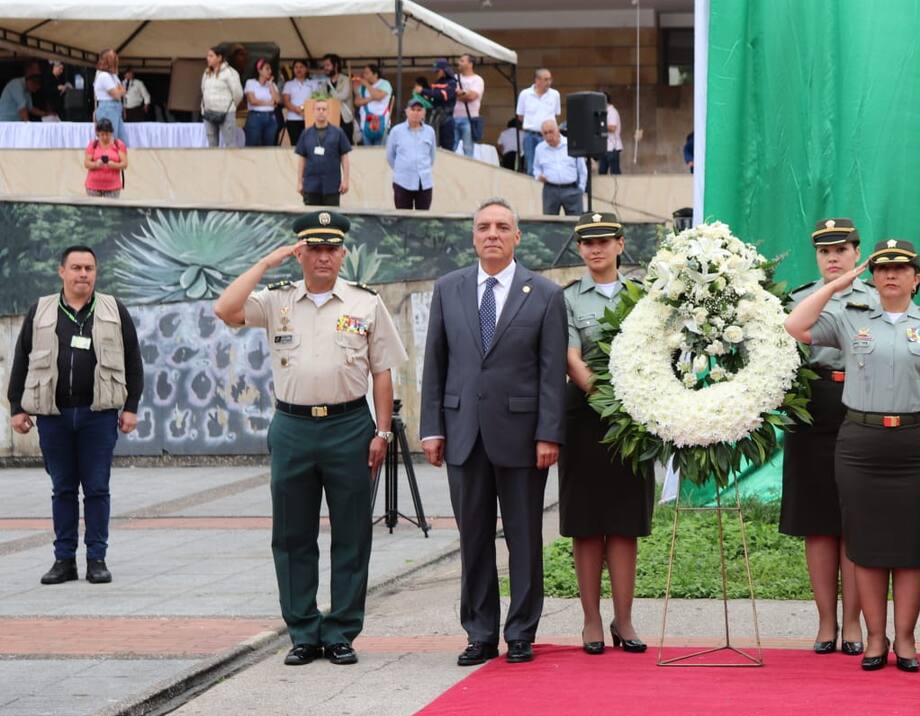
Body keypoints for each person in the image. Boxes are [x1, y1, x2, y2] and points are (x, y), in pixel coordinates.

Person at [213, 212, 406, 666]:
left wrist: (382, 431)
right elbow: (225, 309)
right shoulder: (277, 300)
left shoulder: (364, 302)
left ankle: (340, 631)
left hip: (349, 426)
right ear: (300, 254)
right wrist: (265, 263)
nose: (323, 257)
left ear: (342, 254)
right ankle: (302, 630)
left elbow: (382, 372)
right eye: (314, 249)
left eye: (331, 249)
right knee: (293, 533)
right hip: (293, 427)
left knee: (352, 532)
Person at [786, 239, 920, 673]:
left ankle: (904, 639)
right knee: (864, 544)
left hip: (915, 441)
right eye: (882, 268)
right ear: (872, 275)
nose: (890, 275)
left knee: (911, 545)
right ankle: (873, 638)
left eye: (901, 269)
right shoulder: (851, 320)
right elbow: (795, 325)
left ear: (916, 278)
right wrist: (839, 283)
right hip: (861, 443)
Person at [419, 198, 567, 666]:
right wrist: (431, 429)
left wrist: (549, 433)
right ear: (473, 235)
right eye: (483, 226)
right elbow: (435, 364)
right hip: (463, 433)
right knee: (473, 538)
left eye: (503, 227)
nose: (492, 234)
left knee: (524, 538)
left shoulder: (544, 294)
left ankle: (520, 631)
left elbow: (550, 373)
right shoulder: (449, 289)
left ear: (517, 236)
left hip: (523, 437)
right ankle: (480, 633)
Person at [6, 246, 143, 586]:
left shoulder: (113, 309)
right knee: (63, 489)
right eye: (77, 268)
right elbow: (21, 358)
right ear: (61, 272)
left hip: (98, 415)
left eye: (90, 268)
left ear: (96, 272)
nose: (84, 274)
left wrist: (131, 407)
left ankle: (97, 558)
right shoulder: (41, 310)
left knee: (97, 489)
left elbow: (133, 360)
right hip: (54, 415)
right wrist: (17, 406)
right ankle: (63, 561)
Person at [560, 213, 654, 655]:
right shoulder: (567, 299)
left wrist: (633, 403)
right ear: (579, 249)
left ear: (620, 244)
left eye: (603, 241)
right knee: (586, 522)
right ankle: (591, 621)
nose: (595, 249)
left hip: (635, 419)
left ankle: (625, 619)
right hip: (586, 417)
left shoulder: (646, 296)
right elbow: (572, 358)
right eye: (587, 242)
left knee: (624, 523)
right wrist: (607, 397)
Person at [780, 219, 870, 656]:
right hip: (810, 405)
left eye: (841, 250)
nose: (833, 258)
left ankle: (853, 622)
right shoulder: (799, 298)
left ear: (857, 252)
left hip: (858, 405)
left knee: (853, 519)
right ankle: (825, 623)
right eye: (824, 252)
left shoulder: (876, 298)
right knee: (817, 522)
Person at [293, 98, 352, 207]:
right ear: (313, 112)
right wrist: (299, 182)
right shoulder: (306, 134)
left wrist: (346, 180)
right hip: (311, 186)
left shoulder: (338, 132)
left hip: (332, 186)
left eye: (324, 109)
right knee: (312, 221)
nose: (321, 111)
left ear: (328, 112)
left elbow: (344, 157)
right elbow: (302, 159)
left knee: (331, 220)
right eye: (318, 109)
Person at [386, 98, 437, 211]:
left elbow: (432, 156)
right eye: (412, 109)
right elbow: (390, 156)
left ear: (424, 113)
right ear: (406, 112)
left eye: (419, 110)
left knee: (423, 219)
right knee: (403, 218)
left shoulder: (430, 131)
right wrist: (402, 169)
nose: (415, 113)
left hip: (424, 182)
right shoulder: (396, 131)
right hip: (402, 181)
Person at [532, 118, 587, 216]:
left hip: (572, 190)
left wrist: (580, 189)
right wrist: (538, 176)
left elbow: (582, 170)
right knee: (549, 224)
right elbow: (536, 168)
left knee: (575, 223)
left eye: (551, 132)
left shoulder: (571, 144)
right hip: (550, 190)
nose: (548, 136)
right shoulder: (540, 149)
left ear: (557, 130)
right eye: (545, 133)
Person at [515, 68, 560, 174]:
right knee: (531, 167)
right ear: (537, 80)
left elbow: (556, 115)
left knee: (548, 166)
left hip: (548, 136)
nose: (549, 82)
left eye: (550, 79)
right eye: (546, 79)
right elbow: (520, 116)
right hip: (530, 135)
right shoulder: (525, 94)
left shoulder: (555, 94)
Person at [200, 46, 243, 148]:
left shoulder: (230, 73)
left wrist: (231, 107)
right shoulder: (207, 73)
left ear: (219, 58)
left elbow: (238, 94)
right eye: (208, 56)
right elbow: (203, 90)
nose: (208, 58)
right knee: (212, 144)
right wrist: (204, 107)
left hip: (226, 114)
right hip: (209, 113)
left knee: (230, 144)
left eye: (211, 56)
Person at [83, 118, 128, 198]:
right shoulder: (93, 144)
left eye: (107, 134)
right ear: (98, 134)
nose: (105, 137)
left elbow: (124, 164)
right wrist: (96, 164)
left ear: (111, 132)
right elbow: (86, 163)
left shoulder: (119, 144)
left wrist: (114, 165)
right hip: (93, 187)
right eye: (102, 134)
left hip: (113, 188)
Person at [352, 64, 393, 146]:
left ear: (375, 74)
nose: (364, 75)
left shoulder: (384, 84)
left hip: (382, 124)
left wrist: (367, 84)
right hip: (365, 124)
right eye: (364, 73)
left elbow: (378, 96)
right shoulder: (362, 87)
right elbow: (357, 102)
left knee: (380, 153)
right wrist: (371, 98)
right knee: (368, 154)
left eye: (367, 73)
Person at [243, 59, 280, 147]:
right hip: (256, 116)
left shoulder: (272, 85)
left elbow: (277, 100)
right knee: (253, 144)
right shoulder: (251, 82)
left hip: (271, 117)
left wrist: (270, 84)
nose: (270, 71)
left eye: (270, 69)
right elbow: (252, 101)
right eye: (267, 69)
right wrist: (269, 102)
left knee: (269, 145)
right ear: (259, 70)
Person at [453, 53, 485, 157]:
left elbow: (472, 97)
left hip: (469, 118)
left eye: (462, 61)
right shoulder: (455, 78)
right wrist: (465, 94)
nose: (459, 63)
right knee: (451, 147)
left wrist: (459, 94)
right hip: (454, 117)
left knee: (468, 148)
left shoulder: (477, 80)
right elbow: (451, 94)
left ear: (470, 64)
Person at [93, 49, 126, 144]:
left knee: (122, 143)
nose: (116, 59)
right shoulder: (104, 76)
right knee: (111, 142)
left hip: (115, 108)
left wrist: (119, 91)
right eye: (113, 57)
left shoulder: (113, 76)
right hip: (108, 108)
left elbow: (123, 90)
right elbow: (117, 94)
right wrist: (120, 90)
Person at [320, 54, 356, 143]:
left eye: (328, 65)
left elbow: (344, 95)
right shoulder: (324, 83)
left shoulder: (346, 80)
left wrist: (329, 95)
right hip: (330, 119)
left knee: (346, 145)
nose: (325, 68)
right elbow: (321, 98)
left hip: (345, 118)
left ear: (335, 65)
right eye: (324, 66)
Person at [281, 60, 315, 147]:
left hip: (309, 119)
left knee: (309, 144)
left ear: (306, 69)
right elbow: (286, 101)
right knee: (295, 145)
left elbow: (316, 100)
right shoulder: (289, 84)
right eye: (296, 67)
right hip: (293, 119)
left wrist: (303, 108)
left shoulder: (313, 83)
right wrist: (296, 109)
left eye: (301, 67)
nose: (298, 69)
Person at [598, 93, 623, 175]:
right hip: (604, 146)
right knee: (602, 172)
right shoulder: (604, 112)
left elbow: (612, 128)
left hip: (612, 147)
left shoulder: (612, 112)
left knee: (615, 172)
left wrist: (599, 125)